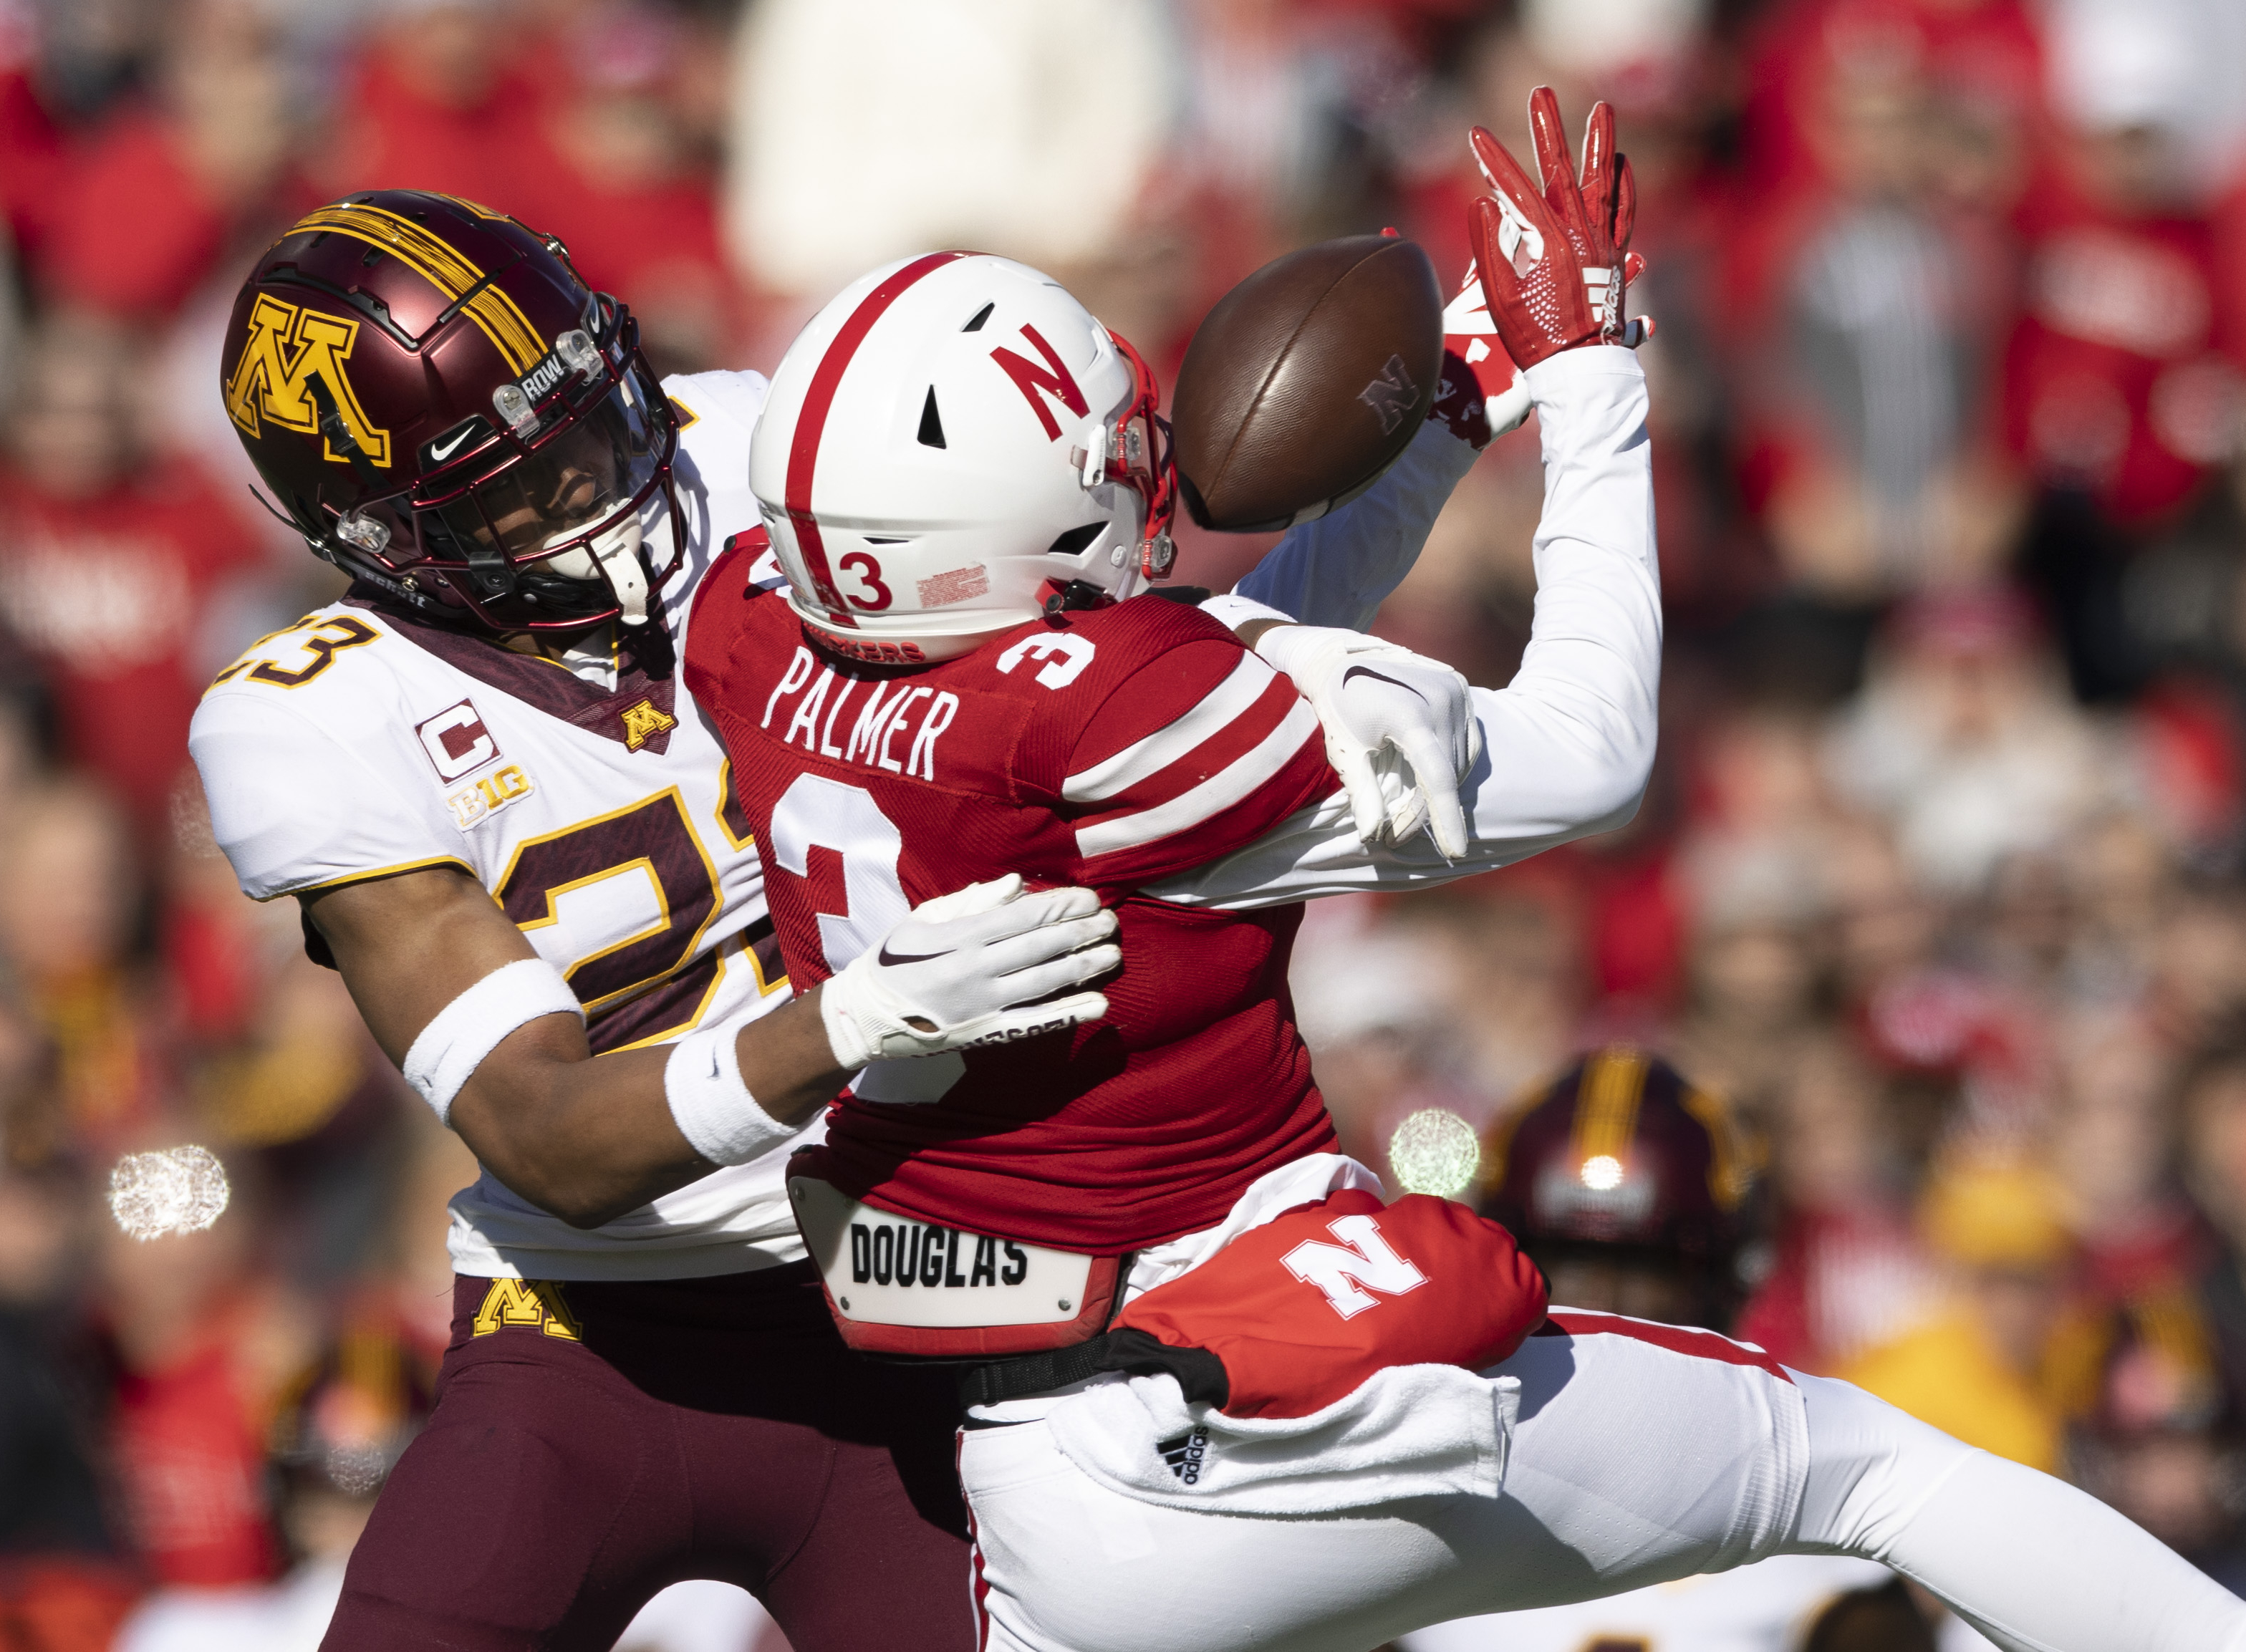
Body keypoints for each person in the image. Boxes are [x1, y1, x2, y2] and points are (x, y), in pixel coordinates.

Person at [680, 90, 2246, 1652]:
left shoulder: (753, 627)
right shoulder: (1118, 723)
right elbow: (1588, 747)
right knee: (1870, 1467)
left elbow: (1193, 668)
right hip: (1280, 1402)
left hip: (1030, 1485)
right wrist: (1590, 382)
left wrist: (1444, 412)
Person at [189, 189, 1505, 1650]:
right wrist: (851, 1017)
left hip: (930, 1302)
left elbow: (1107, 623)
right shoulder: (314, 716)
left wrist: (1317, 630)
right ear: (378, 536)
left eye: (589, 412)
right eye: (520, 481)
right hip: (592, 1341)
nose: (600, 478)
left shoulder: (762, 444)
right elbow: (547, 1138)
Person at [1399, 1048, 1953, 1652]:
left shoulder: (1818, 1529)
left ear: (1724, 1283)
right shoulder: (1409, 1491)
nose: (1601, 1307)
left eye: (1645, 1269)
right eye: (1568, 1264)